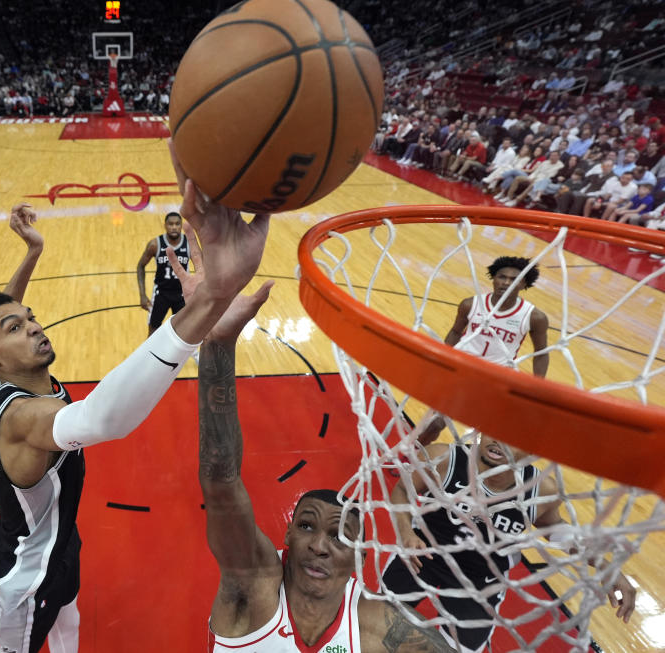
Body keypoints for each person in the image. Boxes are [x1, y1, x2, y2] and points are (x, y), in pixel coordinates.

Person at [0, 140, 270, 653]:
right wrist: (208, 305)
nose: (34, 327)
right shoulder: (25, 417)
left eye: (31, 318)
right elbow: (103, 419)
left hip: (60, 547)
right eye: (17, 328)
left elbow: (5, 310)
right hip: (22, 573)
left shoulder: (2, 375)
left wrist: (33, 251)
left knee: (70, 629)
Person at [174, 250, 455, 652]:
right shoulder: (254, 584)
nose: (319, 545)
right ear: (287, 534)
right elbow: (220, 479)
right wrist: (218, 342)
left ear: (359, 554)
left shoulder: (379, 622)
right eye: (306, 526)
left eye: (340, 536)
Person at [383, 435, 636, 652]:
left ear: (532, 452)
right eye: (495, 429)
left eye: (513, 438)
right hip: (423, 555)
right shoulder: (444, 457)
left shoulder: (541, 490)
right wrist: (406, 532)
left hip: (482, 581)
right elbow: (402, 490)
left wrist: (606, 564)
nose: (499, 440)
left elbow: (557, 531)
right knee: (376, 621)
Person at [416, 256, 549, 445]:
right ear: (493, 278)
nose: (506, 282)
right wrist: (443, 359)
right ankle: (411, 456)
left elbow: (541, 353)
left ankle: (478, 470)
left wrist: (538, 387)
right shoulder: (470, 304)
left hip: (498, 378)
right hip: (463, 370)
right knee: (435, 424)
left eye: (514, 279)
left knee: (492, 435)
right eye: (502, 277)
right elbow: (455, 332)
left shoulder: (535, 317)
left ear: (524, 284)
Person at [135, 211, 192, 336]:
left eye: (177, 224)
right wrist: (142, 295)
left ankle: (175, 355)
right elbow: (140, 266)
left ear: (181, 225)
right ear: (165, 225)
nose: (174, 227)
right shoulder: (155, 244)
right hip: (161, 293)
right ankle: (150, 355)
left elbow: (202, 268)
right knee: (153, 331)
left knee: (182, 333)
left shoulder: (189, 244)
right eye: (170, 224)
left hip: (182, 294)